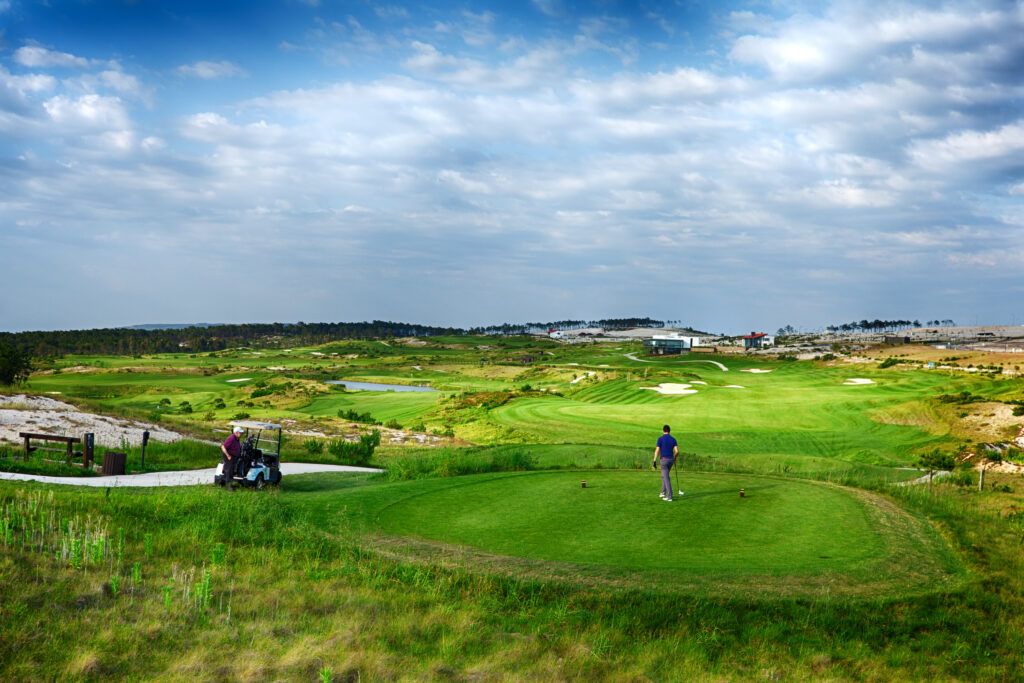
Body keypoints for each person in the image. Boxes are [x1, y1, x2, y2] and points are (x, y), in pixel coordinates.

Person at [654, 424, 679, 502]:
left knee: (666, 477)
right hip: (671, 460)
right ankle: (663, 492)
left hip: (663, 460)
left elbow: (657, 450)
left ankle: (669, 496)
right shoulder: (673, 439)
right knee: (664, 476)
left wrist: (654, 460)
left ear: (663, 431)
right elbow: (677, 451)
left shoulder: (660, 439)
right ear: (669, 431)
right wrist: (675, 457)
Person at [220, 426, 243, 490]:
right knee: (229, 470)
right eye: (240, 433)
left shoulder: (236, 439)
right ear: (236, 433)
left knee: (229, 469)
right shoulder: (231, 438)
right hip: (229, 456)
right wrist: (228, 456)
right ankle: (229, 485)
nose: (241, 434)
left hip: (233, 456)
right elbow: (223, 447)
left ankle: (222, 483)